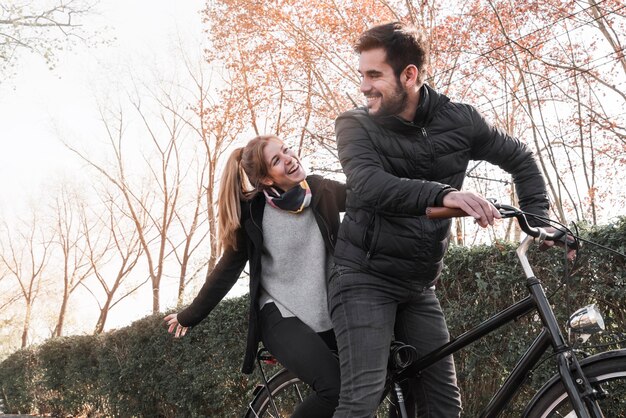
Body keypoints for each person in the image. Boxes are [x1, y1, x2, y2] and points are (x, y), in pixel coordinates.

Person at [329, 21, 555, 417]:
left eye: (374, 75)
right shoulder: (355, 125)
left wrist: (537, 220)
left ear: (410, 75)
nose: (363, 87)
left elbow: (520, 158)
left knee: (444, 405)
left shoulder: (460, 120)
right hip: (363, 277)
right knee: (362, 398)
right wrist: (445, 193)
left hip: (418, 283)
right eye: (362, 75)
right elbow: (368, 184)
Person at [164, 135, 345, 418]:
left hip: (328, 313)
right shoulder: (254, 214)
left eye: (286, 150)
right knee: (335, 389)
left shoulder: (322, 190)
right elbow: (226, 270)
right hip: (281, 317)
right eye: (276, 160)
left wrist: (428, 197)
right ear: (267, 179)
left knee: (375, 376)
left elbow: (369, 197)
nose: (288, 158)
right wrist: (189, 316)